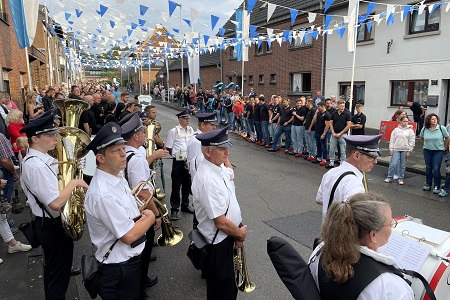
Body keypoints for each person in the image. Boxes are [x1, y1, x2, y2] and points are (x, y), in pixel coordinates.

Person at [20, 111, 89, 299]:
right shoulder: (36, 165)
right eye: (50, 135)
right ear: (35, 138)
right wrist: (74, 183)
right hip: (51, 226)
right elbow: (56, 203)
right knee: (58, 276)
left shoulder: (43, 160)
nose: (55, 138)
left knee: (56, 272)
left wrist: (73, 167)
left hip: (52, 225)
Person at [84, 122, 154, 300]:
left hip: (127, 263)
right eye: (116, 151)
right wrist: (151, 216)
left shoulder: (117, 176)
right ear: (100, 158)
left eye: (123, 148)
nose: (124, 154)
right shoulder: (103, 193)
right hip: (117, 269)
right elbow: (128, 236)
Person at [309, 193, 414, 300]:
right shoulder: (391, 287)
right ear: (373, 235)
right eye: (391, 223)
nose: (392, 227)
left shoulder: (320, 250)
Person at [191, 127, 247, 300]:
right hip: (218, 242)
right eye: (222, 149)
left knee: (230, 286)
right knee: (222, 291)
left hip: (227, 236)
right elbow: (220, 222)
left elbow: (231, 174)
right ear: (208, 152)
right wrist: (240, 234)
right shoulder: (207, 178)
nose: (227, 153)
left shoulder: (218, 167)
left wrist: (236, 233)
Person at [121, 114, 161, 298]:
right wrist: (156, 213)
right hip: (140, 210)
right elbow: (143, 192)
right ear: (135, 136)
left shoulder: (127, 153)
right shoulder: (136, 158)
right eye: (142, 132)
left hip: (131, 207)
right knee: (142, 254)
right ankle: (140, 289)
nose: (145, 134)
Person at [316, 134, 382, 218]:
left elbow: (319, 199)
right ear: (357, 155)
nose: (375, 161)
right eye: (372, 157)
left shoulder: (331, 172)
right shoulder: (355, 185)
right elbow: (358, 218)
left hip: (327, 227)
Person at [166, 110, 195, 220]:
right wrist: (178, 156)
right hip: (179, 160)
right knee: (176, 185)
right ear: (179, 119)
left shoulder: (191, 130)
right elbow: (169, 147)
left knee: (187, 184)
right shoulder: (174, 131)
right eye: (185, 118)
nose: (187, 120)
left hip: (189, 159)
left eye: (188, 118)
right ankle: (174, 209)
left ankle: (185, 205)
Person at [420, 113, 448, 193]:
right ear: (429, 120)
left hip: (438, 151)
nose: (435, 120)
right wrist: (426, 144)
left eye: (435, 119)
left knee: (436, 168)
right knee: (428, 168)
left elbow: (447, 137)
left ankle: (437, 186)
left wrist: (445, 147)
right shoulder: (425, 129)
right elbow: (421, 138)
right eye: (432, 119)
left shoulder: (441, 128)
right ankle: (428, 184)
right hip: (427, 150)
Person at [384, 116, 415, 185]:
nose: (405, 123)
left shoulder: (410, 131)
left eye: (407, 121)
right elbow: (392, 140)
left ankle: (400, 178)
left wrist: (409, 150)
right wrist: (391, 148)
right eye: (404, 121)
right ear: (400, 122)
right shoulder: (396, 130)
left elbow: (412, 141)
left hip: (405, 149)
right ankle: (390, 177)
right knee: (393, 163)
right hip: (396, 149)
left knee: (403, 165)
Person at [187, 112, 217, 178]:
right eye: (212, 125)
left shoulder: (206, 138)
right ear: (203, 125)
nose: (214, 127)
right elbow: (193, 166)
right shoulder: (197, 141)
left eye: (215, 125)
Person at [326, 100, 352, 168]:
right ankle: (331, 162)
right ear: (337, 106)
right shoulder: (334, 114)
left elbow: (348, 125)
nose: (342, 108)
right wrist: (333, 132)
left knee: (343, 149)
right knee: (331, 148)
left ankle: (342, 163)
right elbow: (330, 123)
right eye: (341, 106)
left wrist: (340, 133)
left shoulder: (347, 114)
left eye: (343, 106)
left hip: (343, 135)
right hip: (334, 134)